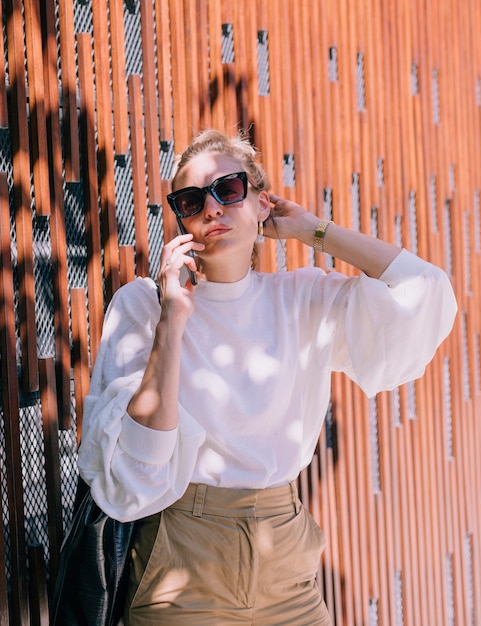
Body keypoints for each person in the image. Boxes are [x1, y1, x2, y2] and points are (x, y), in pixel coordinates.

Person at [78, 129, 457, 625]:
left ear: (262, 203)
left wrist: (313, 229)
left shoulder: (301, 298)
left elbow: (423, 291)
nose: (212, 208)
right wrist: (173, 318)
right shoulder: (143, 305)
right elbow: (139, 470)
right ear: (182, 220)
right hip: (185, 560)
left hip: (286, 557)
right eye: (191, 200)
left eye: (228, 190)